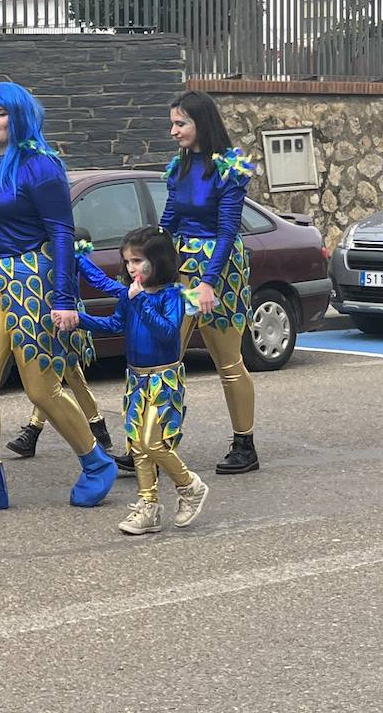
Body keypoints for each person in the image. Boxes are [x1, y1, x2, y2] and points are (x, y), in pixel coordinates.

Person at [0, 81, 117, 512]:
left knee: (41, 388)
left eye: (0, 113)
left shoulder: (42, 165)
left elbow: (61, 232)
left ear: (19, 117)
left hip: (33, 277)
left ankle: (96, 463)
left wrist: (64, 297)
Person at [148, 89, 260, 475]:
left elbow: (227, 231)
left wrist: (209, 283)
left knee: (228, 362)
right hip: (179, 265)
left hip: (220, 269)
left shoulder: (230, 168)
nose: (173, 130)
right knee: (163, 357)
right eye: (173, 123)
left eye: (181, 123)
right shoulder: (177, 167)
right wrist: (147, 265)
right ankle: (152, 444)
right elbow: (168, 222)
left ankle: (245, 445)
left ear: (201, 123)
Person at [78, 226, 210, 535]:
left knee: (154, 442)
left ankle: (189, 485)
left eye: (137, 261)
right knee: (137, 444)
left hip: (164, 379)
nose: (131, 268)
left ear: (158, 260)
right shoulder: (131, 295)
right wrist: (78, 319)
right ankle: (148, 505)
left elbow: (167, 332)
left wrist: (140, 302)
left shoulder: (172, 295)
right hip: (136, 379)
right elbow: (114, 323)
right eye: (127, 262)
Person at [5, 228, 114, 458]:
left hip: (69, 319)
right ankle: (95, 428)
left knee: (69, 374)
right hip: (43, 320)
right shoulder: (31, 251)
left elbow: (96, 278)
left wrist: (128, 292)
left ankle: (40, 431)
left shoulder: (70, 249)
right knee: (51, 375)